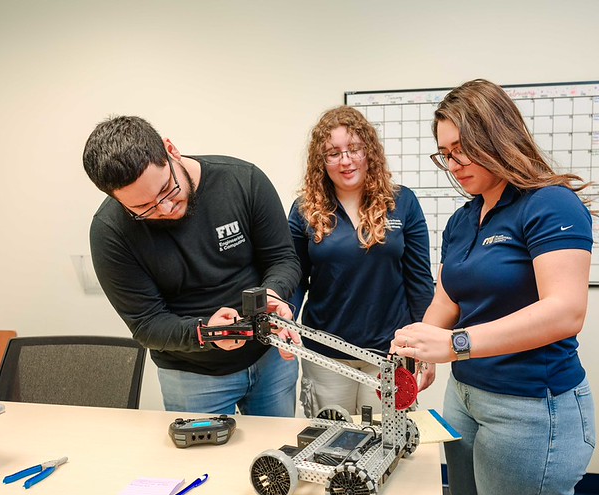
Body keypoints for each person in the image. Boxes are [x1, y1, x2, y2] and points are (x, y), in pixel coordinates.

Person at [390, 80, 596, 495]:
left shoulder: (550, 204)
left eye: (462, 147)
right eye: (445, 152)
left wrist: (455, 343)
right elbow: (448, 295)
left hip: (530, 407)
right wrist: (419, 346)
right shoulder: (465, 218)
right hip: (465, 396)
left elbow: (565, 311)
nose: (453, 162)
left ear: (498, 135)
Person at [82, 115, 301, 416]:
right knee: (202, 463)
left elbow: (282, 259)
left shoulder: (242, 180)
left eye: (166, 190)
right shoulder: (110, 232)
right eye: (142, 208)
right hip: (191, 376)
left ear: (170, 150)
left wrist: (273, 293)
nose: (166, 209)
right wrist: (206, 333)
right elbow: (146, 323)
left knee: (274, 456)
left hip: (270, 359)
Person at [289, 106, 434, 417]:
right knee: (330, 447)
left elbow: (419, 280)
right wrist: (284, 322)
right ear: (321, 161)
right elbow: (295, 277)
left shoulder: (402, 202)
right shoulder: (305, 209)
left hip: (390, 351)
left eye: (354, 149)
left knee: (386, 443)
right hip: (326, 353)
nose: (345, 160)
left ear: (369, 152)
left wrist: (426, 345)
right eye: (333, 153)